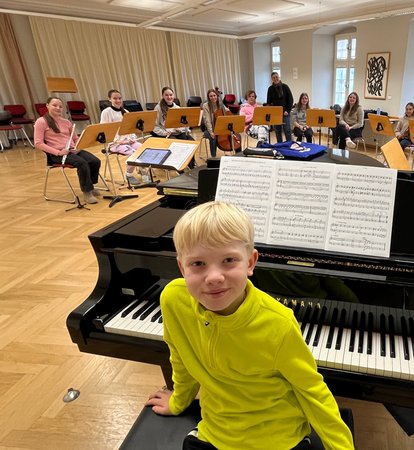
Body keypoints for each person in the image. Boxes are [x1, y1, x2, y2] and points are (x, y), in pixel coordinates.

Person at [145, 201, 355, 450]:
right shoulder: (173, 299)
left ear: (250, 262)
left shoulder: (278, 324)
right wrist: (179, 400)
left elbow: (313, 392)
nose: (214, 277)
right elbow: (180, 356)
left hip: (278, 439)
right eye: (198, 264)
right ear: (182, 267)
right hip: (216, 432)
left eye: (228, 260)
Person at [34, 96, 102, 204]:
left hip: (72, 150)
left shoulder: (66, 122)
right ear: (47, 106)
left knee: (95, 161)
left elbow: (75, 138)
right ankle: (87, 191)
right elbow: (38, 143)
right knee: (82, 163)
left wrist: (78, 147)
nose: (58, 108)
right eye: (54, 105)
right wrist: (58, 152)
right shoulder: (41, 122)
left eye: (60, 106)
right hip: (57, 154)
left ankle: (91, 186)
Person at [99, 89, 148, 185]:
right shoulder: (106, 112)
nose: (118, 101)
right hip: (115, 143)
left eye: (120, 98)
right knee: (133, 153)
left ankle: (142, 169)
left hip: (128, 141)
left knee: (143, 150)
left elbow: (131, 128)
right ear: (109, 99)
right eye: (115, 98)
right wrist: (118, 141)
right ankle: (129, 175)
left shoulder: (125, 111)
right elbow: (104, 130)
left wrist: (132, 138)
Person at [266, 72, 294, 143]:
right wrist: (271, 111)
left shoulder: (285, 87)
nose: (275, 79)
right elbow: (268, 102)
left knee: (287, 130)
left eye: (276, 77)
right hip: (275, 113)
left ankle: (289, 144)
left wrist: (287, 110)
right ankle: (280, 145)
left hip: (285, 112)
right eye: (273, 78)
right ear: (272, 79)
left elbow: (291, 100)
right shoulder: (270, 89)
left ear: (279, 77)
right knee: (278, 131)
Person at [201, 88, 229, 158]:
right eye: (211, 96)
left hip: (219, 128)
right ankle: (213, 157)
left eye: (214, 95)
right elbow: (207, 121)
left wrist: (226, 110)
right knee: (213, 138)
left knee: (231, 134)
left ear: (217, 95)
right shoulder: (205, 105)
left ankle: (233, 152)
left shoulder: (220, 103)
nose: (213, 97)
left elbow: (227, 111)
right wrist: (211, 132)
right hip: (208, 128)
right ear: (208, 97)